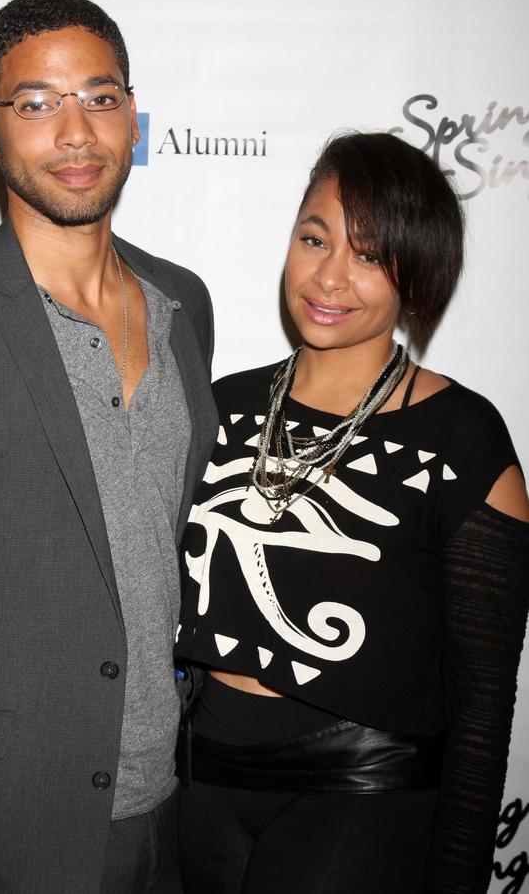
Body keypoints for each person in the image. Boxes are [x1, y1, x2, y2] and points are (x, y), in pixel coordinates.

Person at [0, 0, 217, 894]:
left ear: (133, 115)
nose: (76, 132)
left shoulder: (185, 306)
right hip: (4, 839)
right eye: (35, 104)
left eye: (100, 99)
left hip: (175, 815)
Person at [175, 131, 529, 894]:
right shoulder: (224, 404)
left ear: (419, 275)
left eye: (370, 255)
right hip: (199, 780)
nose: (330, 276)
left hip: (357, 793)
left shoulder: (464, 436)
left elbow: (483, 701)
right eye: (315, 238)